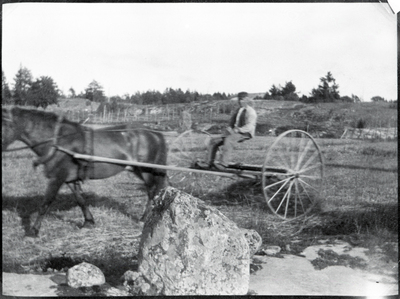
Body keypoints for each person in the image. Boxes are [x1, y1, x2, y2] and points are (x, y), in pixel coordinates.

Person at [197, 92, 258, 170]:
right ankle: (208, 163)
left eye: (242, 100)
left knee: (228, 140)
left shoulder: (251, 112)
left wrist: (238, 129)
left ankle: (223, 164)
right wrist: (229, 128)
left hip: (245, 133)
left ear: (247, 100)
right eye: (239, 100)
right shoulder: (238, 110)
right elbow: (233, 122)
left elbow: (250, 126)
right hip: (234, 131)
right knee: (214, 141)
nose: (240, 102)